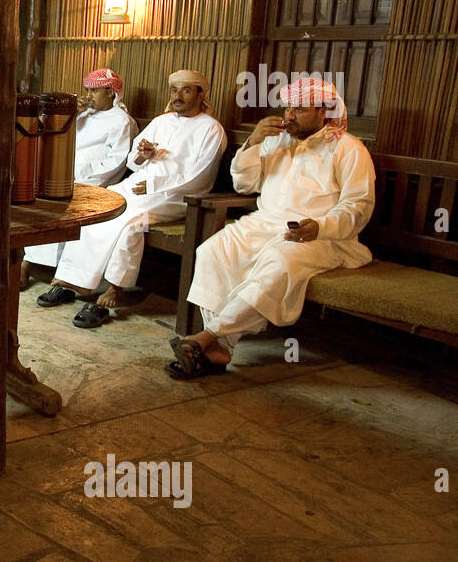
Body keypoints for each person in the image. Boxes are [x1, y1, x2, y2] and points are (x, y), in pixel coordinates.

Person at [166, 77, 374, 379]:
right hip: (264, 223)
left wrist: (320, 226)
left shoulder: (349, 149)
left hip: (320, 236)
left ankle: (208, 337)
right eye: (288, 107)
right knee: (212, 250)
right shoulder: (276, 141)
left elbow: (358, 206)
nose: (290, 115)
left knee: (279, 262)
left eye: (300, 109)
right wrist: (252, 143)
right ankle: (220, 347)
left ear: (324, 112)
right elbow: (243, 183)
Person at [44, 68, 227, 328]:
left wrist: (153, 183)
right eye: (175, 90)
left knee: (129, 220)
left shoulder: (212, 130)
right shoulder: (162, 122)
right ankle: (71, 280)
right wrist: (144, 155)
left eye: (186, 90)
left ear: (200, 94)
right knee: (95, 207)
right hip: (139, 185)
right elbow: (132, 159)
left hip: (176, 195)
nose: (178, 96)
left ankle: (114, 289)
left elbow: (200, 176)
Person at [25, 69, 139, 303]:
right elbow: (55, 138)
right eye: (87, 90)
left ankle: (42, 270)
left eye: (94, 91)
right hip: (66, 174)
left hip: (96, 181)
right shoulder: (83, 115)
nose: (89, 95)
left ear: (110, 92)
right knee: (43, 196)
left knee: (64, 201)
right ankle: (28, 262)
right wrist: (71, 115)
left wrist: (80, 177)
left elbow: (114, 162)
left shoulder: (122, 121)